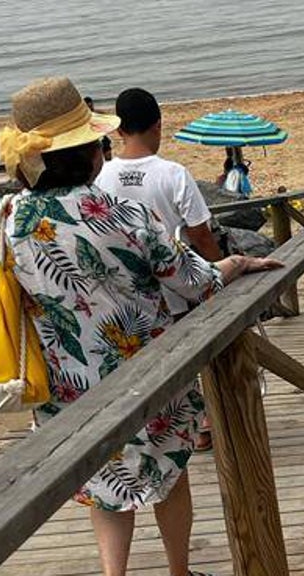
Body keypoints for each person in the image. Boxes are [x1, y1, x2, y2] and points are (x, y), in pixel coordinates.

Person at [0, 76, 280, 576]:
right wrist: (236, 264)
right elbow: (194, 282)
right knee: (169, 475)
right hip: (148, 375)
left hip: (67, 390)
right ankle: (179, 572)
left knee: (103, 492)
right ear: (91, 151)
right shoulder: (119, 214)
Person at [96, 88, 223, 450]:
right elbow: (201, 233)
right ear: (158, 125)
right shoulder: (173, 174)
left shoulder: (102, 177)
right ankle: (202, 426)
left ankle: (152, 427)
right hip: (176, 286)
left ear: (118, 130)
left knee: (144, 362)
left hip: (124, 291)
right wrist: (218, 272)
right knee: (194, 357)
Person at [84, 96, 114, 162]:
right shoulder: (83, 117)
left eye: (91, 106)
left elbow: (105, 114)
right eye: (88, 107)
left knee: (106, 144)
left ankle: (109, 162)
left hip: (100, 135)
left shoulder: (95, 113)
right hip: (89, 137)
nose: (90, 108)